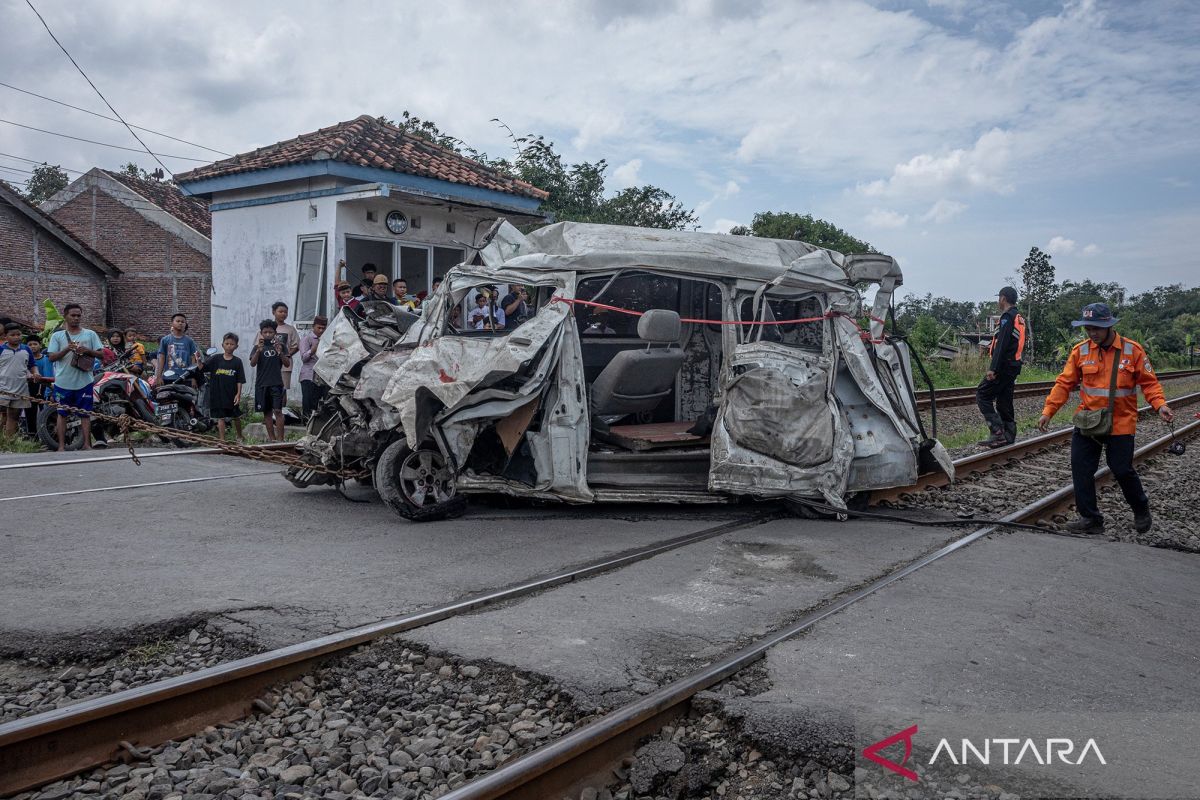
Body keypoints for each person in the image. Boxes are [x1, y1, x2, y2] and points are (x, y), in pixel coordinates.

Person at [1038, 303, 1173, 534]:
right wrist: (1048, 411)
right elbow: (1064, 383)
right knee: (1081, 468)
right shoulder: (1081, 351)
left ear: (1109, 325)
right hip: (1089, 420)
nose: (1092, 333)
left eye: (1096, 328)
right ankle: (1091, 519)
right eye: (1088, 328)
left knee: (1121, 469)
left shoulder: (1132, 350)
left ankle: (1141, 507)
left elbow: (1149, 384)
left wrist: (1160, 405)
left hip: (1121, 422)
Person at [47, 303, 103, 450]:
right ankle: (61, 446)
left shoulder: (90, 334)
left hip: (85, 382)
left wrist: (87, 350)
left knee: (85, 414)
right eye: (73, 315)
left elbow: (102, 354)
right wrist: (67, 349)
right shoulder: (57, 336)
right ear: (65, 316)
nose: (76, 318)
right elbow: (51, 357)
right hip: (63, 382)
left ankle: (86, 444)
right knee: (62, 414)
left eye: (78, 315)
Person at [976, 286, 1027, 448]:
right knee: (1004, 401)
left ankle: (997, 432)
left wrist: (994, 368)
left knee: (982, 394)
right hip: (1014, 365)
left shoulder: (1007, 317)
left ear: (1003, 298)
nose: (998, 301)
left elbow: (1002, 343)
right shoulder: (1019, 317)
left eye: (999, 298)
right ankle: (1008, 435)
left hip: (1004, 365)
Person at [250, 319, 290, 442]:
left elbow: (287, 364)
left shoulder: (281, 346)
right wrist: (258, 351)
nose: (268, 334)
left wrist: (280, 353)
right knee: (267, 413)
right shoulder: (257, 347)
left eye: (270, 332)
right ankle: (272, 439)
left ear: (275, 333)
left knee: (278, 411)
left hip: (276, 383)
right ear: (261, 333)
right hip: (262, 384)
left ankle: (281, 440)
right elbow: (252, 363)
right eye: (265, 332)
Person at [204, 332, 246, 442]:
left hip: (231, 394)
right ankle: (222, 440)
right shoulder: (215, 359)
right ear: (222, 345)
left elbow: (240, 380)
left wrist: (238, 394)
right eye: (227, 343)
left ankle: (239, 436)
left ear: (236, 346)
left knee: (236, 416)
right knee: (220, 417)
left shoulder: (237, 361)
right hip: (218, 394)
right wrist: (198, 360)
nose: (229, 346)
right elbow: (203, 368)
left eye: (232, 344)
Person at [0, 323, 38, 436]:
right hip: (2, 388)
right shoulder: (1, 349)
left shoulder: (26, 349)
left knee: (13, 417)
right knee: (3, 415)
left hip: (20, 389)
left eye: (18, 334)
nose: (16, 337)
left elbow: (32, 365)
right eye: (13, 335)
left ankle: (9, 442)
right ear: (5, 336)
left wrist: (36, 373)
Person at [155, 313, 199, 383]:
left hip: (186, 377)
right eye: (178, 321)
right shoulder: (165, 340)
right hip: (168, 377)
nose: (180, 323)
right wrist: (159, 376)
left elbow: (193, 359)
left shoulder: (190, 341)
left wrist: (193, 378)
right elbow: (161, 358)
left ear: (185, 324)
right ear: (172, 323)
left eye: (183, 322)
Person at [299, 316, 327, 420]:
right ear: (313, 326)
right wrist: (312, 350)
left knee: (318, 401)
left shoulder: (326, 339)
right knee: (308, 401)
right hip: (308, 375)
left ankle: (315, 423)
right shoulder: (306, 339)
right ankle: (306, 422)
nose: (321, 330)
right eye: (319, 328)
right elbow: (303, 358)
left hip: (322, 375)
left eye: (323, 328)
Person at [271, 301, 300, 394]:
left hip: (285, 365)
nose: (283, 314)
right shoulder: (267, 328)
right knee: (269, 390)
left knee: (282, 390)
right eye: (280, 311)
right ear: (273, 312)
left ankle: (282, 404)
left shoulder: (290, 329)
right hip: (269, 364)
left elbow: (296, 346)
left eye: (285, 312)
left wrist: (286, 355)